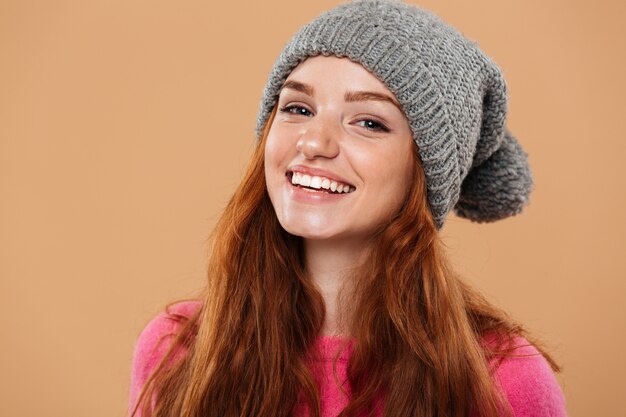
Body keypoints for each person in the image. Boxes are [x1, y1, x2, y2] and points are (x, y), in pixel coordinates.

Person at [127, 1, 568, 416]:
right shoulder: (177, 350)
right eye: (298, 108)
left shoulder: (505, 382)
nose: (314, 142)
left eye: (369, 122)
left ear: (425, 172)